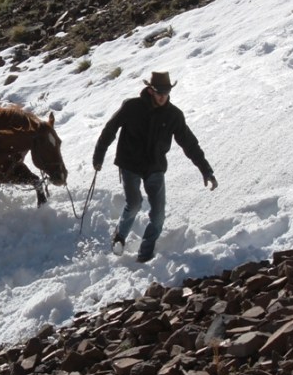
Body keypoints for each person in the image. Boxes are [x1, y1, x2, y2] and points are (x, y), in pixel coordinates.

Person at [92, 71, 217, 262]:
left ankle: (145, 254)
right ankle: (120, 236)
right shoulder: (132, 106)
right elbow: (110, 129)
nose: (162, 96)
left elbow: (189, 143)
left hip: (155, 167)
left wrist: (205, 169)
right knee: (134, 203)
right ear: (150, 90)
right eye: (159, 92)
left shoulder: (174, 115)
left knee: (158, 216)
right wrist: (99, 155)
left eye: (166, 93)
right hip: (130, 163)